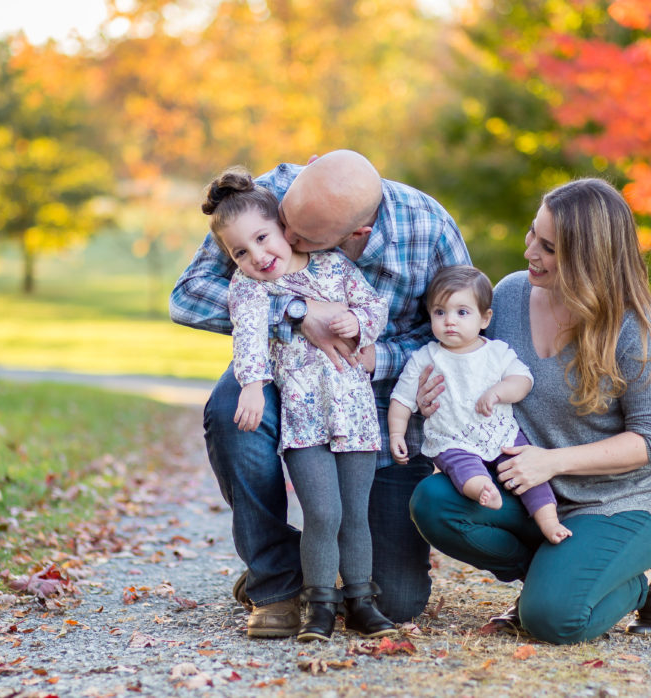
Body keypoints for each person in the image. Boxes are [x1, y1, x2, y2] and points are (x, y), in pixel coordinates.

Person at [170, 150, 470, 637]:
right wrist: (295, 313)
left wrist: (373, 356)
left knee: (396, 598)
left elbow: (460, 333)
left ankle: (325, 567)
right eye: (284, 224)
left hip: (372, 400)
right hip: (286, 379)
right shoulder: (267, 197)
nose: (282, 244)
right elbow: (188, 294)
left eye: (302, 238)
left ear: (356, 239)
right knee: (234, 411)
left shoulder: (430, 229)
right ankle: (278, 581)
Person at [409, 178, 651, 645]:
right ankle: (566, 571)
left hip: (617, 501)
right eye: (532, 234)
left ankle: (644, 578)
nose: (530, 252)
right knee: (435, 503)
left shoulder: (638, 327)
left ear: (589, 258)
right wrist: (431, 398)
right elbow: (478, 376)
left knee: (552, 620)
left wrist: (552, 462)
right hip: (532, 494)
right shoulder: (512, 295)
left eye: (549, 247)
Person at [201, 166, 396, 642]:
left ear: (285, 228)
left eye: (264, 238)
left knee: (355, 513)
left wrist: (356, 322)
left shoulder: (332, 267)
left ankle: (360, 600)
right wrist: (252, 384)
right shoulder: (248, 289)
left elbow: (376, 307)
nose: (257, 256)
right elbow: (247, 339)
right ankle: (319, 605)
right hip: (305, 420)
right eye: (240, 252)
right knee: (323, 513)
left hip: (354, 414)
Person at [388, 265, 571, 544]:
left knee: (525, 469)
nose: (450, 321)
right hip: (453, 438)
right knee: (463, 468)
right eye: (440, 312)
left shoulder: (496, 352)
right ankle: (483, 491)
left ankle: (549, 521)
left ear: (485, 319)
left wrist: (499, 391)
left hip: (499, 432)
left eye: (462, 312)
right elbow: (402, 399)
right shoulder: (426, 357)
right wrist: (396, 433)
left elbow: (523, 380)